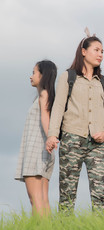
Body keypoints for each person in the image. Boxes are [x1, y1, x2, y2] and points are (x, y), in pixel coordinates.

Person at [46, 28, 104, 212]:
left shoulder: (103, 82)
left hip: (98, 144)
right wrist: (53, 135)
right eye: (96, 50)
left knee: (100, 196)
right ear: (83, 51)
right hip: (72, 141)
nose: (100, 54)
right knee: (67, 195)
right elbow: (58, 108)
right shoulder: (68, 77)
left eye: (102, 51)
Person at [15, 60, 57, 217]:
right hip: (44, 151)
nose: (31, 76)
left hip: (37, 150)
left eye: (34, 72)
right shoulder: (48, 95)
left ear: (43, 74)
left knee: (35, 199)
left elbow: (45, 118)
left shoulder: (44, 94)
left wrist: (50, 138)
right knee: (43, 199)